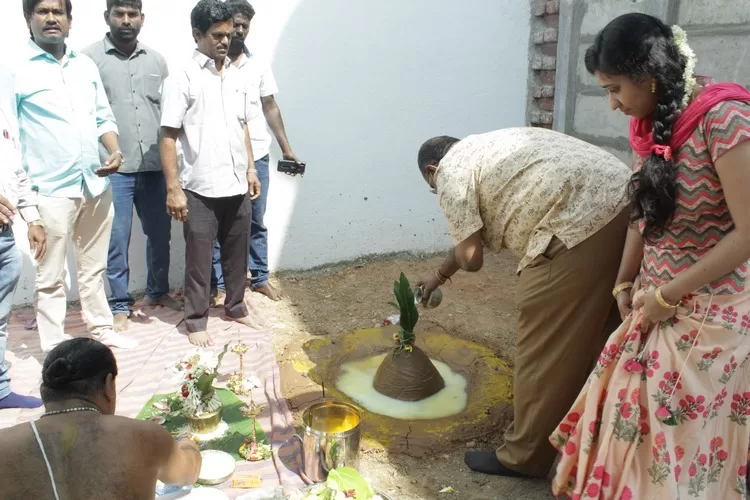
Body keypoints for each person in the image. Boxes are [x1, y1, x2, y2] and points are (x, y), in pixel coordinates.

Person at [550, 13, 750, 499]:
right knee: (630, 430)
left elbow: (748, 233)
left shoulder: (724, 118)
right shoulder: (649, 126)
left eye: (615, 89)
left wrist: (667, 294)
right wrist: (624, 282)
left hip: (708, 316)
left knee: (671, 444)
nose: (613, 104)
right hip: (653, 305)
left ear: (650, 76)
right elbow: (644, 214)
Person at [415, 128, 631, 479]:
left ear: (431, 170)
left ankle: (523, 456)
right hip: (625, 202)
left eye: (432, 189)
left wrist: (451, 224)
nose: (438, 192)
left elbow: (471, 257)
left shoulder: (450, 170)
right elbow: (472, 238)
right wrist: (438, 276)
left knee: (543, 347)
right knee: (602, 335)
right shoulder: (486, 148)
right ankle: (596, 433)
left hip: (575, 223)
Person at [15, 0, 136, 352]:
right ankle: (55, 347)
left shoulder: (84, 65)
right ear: (28, 18)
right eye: (43, 11)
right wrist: (27, 207)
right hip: (49, 189)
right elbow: (7, 136)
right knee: (50, 275)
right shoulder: (14, 69)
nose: (51, 18)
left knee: (93, 267)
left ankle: (101, 328)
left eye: (59, 12)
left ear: (70, 19)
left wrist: (114, 151)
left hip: (95, 183)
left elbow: (103, 116)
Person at [160, 0, 264, 348]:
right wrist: (173, 188)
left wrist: (251, 168)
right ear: (197, 34)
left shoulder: (236, 74)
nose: (225, 40)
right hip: (200, 187)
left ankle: (236, 306)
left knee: (237, 253)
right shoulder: (182, 77)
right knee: (199, 260)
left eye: (228, 34)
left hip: (236, 183)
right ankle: (195, 319)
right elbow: (168, 135)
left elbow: (243, 125)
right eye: (217, 35)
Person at [83, 0, 181, 332]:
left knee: (160, 234)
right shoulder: (88, 60)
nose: (126, 20)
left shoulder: (157, 61)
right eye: (119, 14)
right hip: (114, 169)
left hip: (154, 166)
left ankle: (158, 292)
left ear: (142, 18)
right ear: (107, 17)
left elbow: (168, 115)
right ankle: (119, 305)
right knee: (117, 239)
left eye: (132, 14)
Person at [0, 338, 201, 498]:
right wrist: (188, 445)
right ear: (108, 384)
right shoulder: (143, 436)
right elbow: (187, 474)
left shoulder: (5, 444)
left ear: (47, 389)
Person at [210, 0, 303, 303]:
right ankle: (220, 284)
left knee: (255, 220)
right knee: (219, 222)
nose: (239, 31)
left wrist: (286, 148)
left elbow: (270, 106)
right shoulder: (210, 63)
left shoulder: (258, 65)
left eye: (244, 26)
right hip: (220, 156)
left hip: (258, 155)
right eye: (235, 24)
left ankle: (260, 277)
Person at [0, 66, 45, 410]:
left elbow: (17, 172)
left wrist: (32, 217)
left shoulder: (6, 122)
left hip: (4, 238)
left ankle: (0, 390)